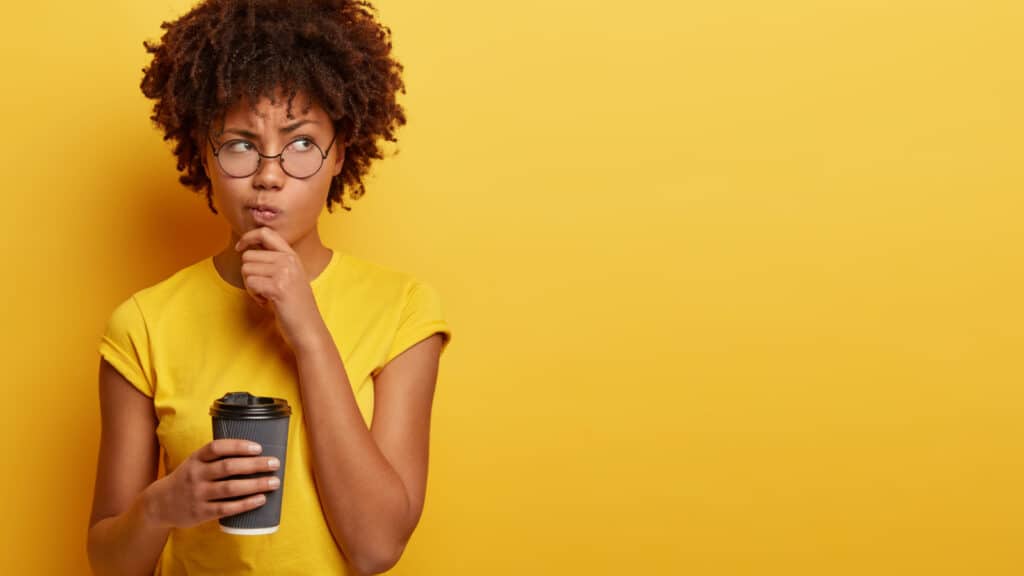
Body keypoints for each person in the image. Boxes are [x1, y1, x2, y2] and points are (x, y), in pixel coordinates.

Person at [86, 1, 452, 574]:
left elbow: (377, 548)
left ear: (341, 153)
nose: (269, 173)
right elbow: (110, 562)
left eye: (302, 142)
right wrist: (162, 506)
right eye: (239, 143)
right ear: (203, 154)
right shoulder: (142, 324)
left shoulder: (403, 310)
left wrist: (305, 327)